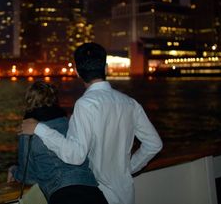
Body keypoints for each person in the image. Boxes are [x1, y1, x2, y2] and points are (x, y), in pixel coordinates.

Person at [22, 42, 163, 204]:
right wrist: (129, 168)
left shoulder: (85, 105)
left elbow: (75, 155)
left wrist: (39, 128)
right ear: (106, 68)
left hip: (98, 194)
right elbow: (154, 144)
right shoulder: (130, 103)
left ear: (77, 72)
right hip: (125, 194)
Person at [8, 80, 108, 204]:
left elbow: (28, 177)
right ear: (54, 100)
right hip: (93, 193)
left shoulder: (28, 132)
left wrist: (14, 171)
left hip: (64, 196)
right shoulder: (70, 123)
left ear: (29, 101)